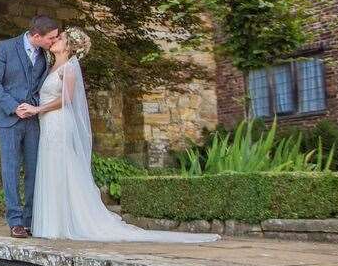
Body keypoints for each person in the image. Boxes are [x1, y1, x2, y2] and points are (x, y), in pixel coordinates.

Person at [29, 28, 219, 243]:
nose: (55, 40)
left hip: (60, 123)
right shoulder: (52, 65)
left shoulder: (69, 69)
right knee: (52, 168)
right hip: (49, 125)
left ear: (70, 46)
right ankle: (53, 223)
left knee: (62, 168)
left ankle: (63, 225)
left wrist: (37, 110)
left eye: (60, 38)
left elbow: (67, 100)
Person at [0, 15, 60, 238]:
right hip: (8, 119)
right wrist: (14, 106)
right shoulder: (6, 48)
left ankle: (29, 220)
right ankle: (15, 221)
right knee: (10, 170)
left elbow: (41, 88)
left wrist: (35, 107)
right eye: (50, 38)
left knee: (34, 170)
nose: (53, 41)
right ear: (36, 36)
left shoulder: (46, 56)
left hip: (34, 121)